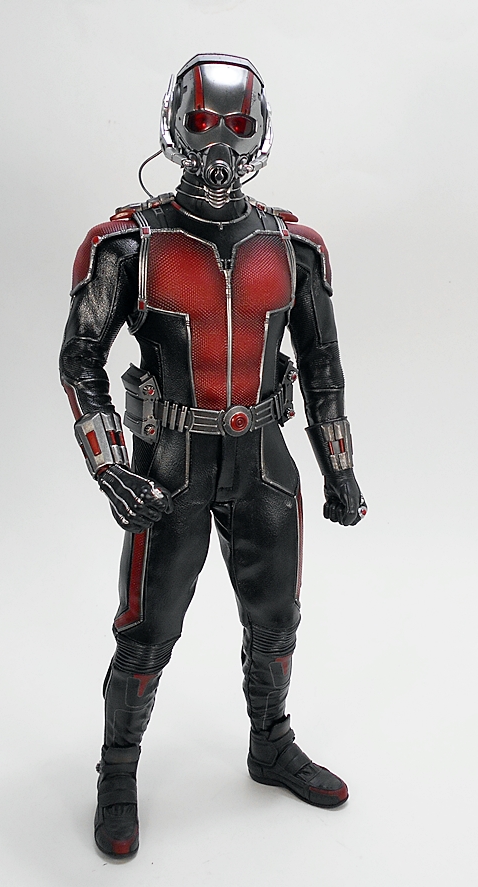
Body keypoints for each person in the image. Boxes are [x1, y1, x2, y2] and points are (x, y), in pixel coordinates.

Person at [60, 53, 367, 859]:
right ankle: (117, 770)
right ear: (174, 126)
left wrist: (338, 467)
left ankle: (271, 742)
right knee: (146, 629)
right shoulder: (127, 243)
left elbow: (324, 366)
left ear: (260, 132)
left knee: (276, 619)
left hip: (264, 459)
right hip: (168, 466)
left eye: (236, 124)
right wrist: (108, 462)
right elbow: (80, 360)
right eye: (201, 123)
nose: (219, 143)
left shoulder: (293, 246)